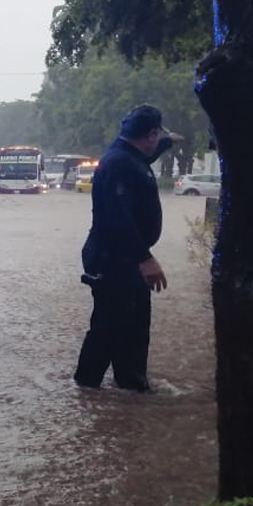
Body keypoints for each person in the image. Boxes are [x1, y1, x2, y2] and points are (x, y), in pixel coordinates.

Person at [73, 105, 181, 392]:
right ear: (151, 134)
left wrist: (168, 142)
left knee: (128, 323)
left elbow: (147, 153)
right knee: (113, 325)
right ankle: (93, 385)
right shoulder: (119, 164)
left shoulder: (128, 156)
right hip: (115, 257)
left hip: (121, 256)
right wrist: (145, 259)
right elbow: (117, 217)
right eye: (158, 136)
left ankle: (126, 386)